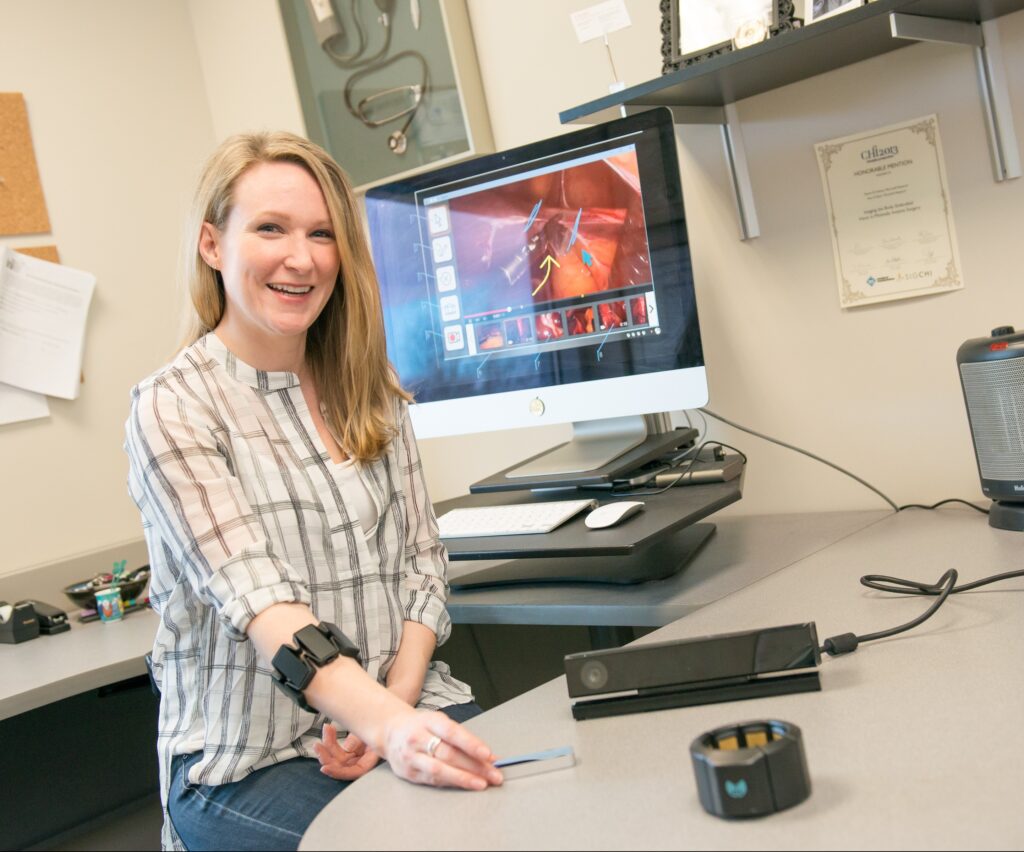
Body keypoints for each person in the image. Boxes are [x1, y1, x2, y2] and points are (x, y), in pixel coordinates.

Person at [124, 131, 502, 851]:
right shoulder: (173, 407)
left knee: (536, 816)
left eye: (322, 233)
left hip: (403, 704)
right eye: (271, 228)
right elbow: (264, 607)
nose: (302, 258)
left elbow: (423, 567)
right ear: (211, 245)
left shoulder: (371, 390)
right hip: (248, 763)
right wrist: (387, 729)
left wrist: (391, 708)